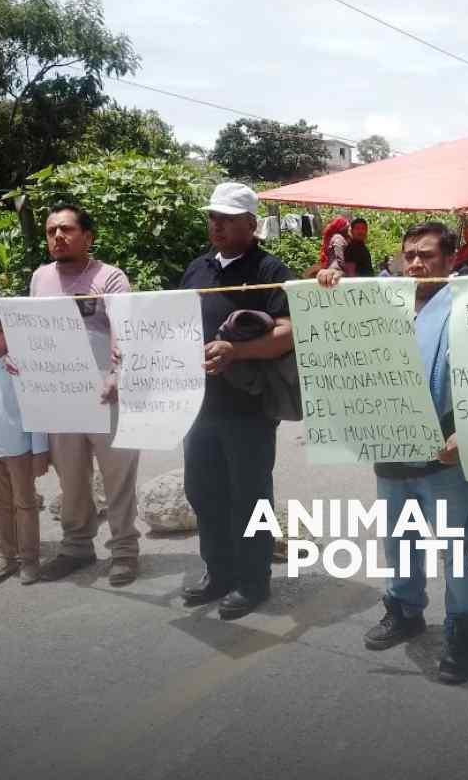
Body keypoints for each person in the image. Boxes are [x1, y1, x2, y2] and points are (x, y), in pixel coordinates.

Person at [317, 221, 468, 684]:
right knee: (398, 539)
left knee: (458, 546)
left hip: (446, 454)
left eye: (427, 254)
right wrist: (332, 285)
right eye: (409, 253)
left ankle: (465, 629)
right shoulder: (379, 299)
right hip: (389, 448)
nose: (415, 262)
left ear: (450, 260)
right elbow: (333, 329)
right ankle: (405, 609)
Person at [178, 182, 294, 619]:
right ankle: (219, 572)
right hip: (197, 406)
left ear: (251, 224)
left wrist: (237, 351)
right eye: (213, 217)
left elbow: (287, 332)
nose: (217, 225)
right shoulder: (197, 268)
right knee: (203, 491)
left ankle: (253, 581)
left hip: (248, 406)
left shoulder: (270, 269)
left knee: (249, 495)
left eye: (227, 219)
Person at [30, 203, 142, 587]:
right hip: (61, 397)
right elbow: (34, 334)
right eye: (50, 231)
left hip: (106, 394)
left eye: (66, 229)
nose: (57, 237)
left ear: (87, 237)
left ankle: (125, 551)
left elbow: (123, 328)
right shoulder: (40, 278)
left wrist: (115, 374)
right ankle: (76, 547)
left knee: (117, 475)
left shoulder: (110, 277)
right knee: (72, 479)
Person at [0, 305, 50, 586]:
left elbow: (36, 409)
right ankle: (5, 556)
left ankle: (30, 559)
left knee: (25, 504)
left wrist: (40, 450)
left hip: (20, 449)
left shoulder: (22, 366)